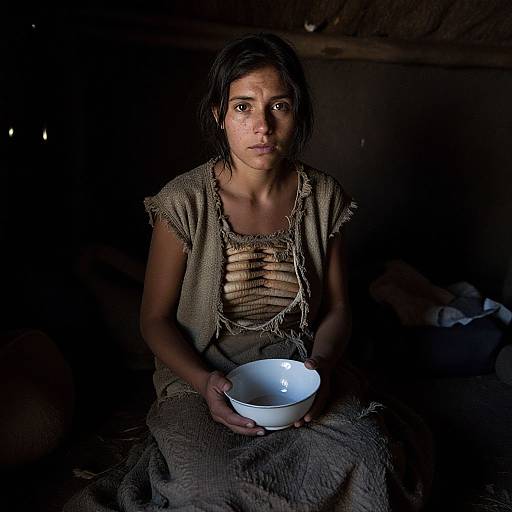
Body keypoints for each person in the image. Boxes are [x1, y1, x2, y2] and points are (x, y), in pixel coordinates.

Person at [65, 33, 432, 511]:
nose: (262, 125)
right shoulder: (183, 202)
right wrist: (204, 383)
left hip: (298, 369)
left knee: (370, 460)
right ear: (219, 113)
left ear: (296, 112)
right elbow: (153, 320)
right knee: (209, 489)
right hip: (202, 378)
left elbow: (340, 307)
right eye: (243, 107)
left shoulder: (324, 199)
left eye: (278, 105)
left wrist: (319, 369)